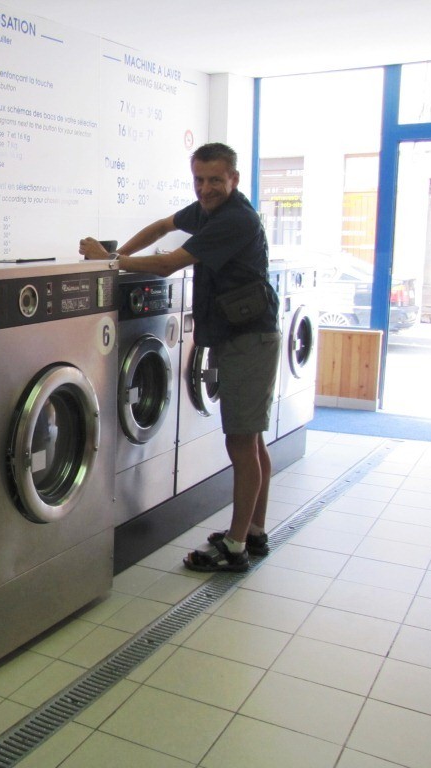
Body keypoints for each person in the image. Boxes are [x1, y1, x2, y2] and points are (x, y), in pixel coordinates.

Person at [79, 142, 281, 573]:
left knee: (241, 441)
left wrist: (111, 261)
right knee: (251, 439)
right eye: (199, 180)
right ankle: (254, 531)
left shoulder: (235, 219)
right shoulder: (208, 211)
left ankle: (236, 546)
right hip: (242, 336)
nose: (205, 188)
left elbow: (169, 264)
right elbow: (161, 227)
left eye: (215, 180)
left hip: (249, 340)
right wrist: (113, 259)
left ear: (234, 179)